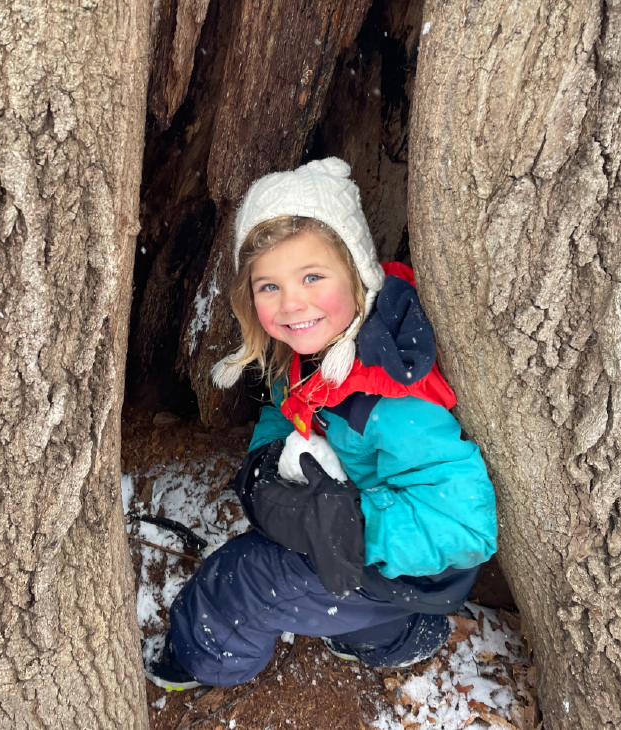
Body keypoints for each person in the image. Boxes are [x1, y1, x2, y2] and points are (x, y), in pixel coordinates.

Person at [144, 158, 497, 691]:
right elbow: (283, 412)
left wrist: (350, 525)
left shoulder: (387, 400)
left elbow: (466, 527)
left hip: (403, 558)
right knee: (330, 593)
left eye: (312, 277)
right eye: (269, 286)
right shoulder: (318, 352)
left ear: (356, 272)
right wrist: (266, 467)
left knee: (248, 578)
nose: (292, 303)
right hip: (375, 553)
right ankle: (393, 635)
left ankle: (200, 658)